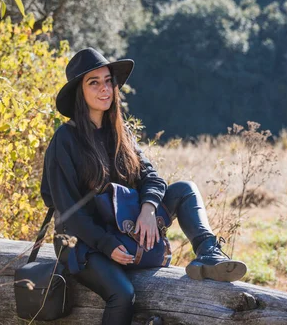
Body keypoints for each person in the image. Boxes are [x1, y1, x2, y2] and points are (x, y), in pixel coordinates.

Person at [40, 47, 247, 324]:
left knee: (185, 189)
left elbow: (152, 177)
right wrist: (106, 243)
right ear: (80, 91)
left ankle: (208, 253)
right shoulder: (65, 140)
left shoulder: (120, 132)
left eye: (108, 80)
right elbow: (67, 211)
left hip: (123, 226)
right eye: (94, 82)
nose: (105, 89)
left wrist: (148, 209)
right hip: (81, 241)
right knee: (123, 294)